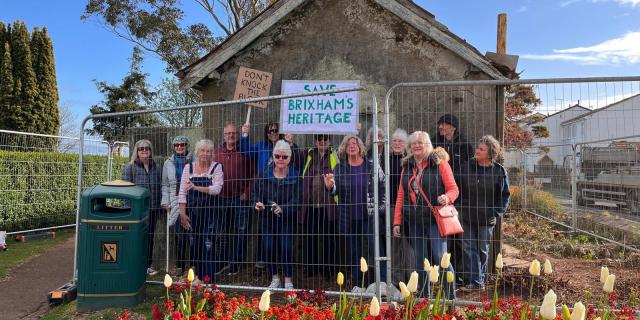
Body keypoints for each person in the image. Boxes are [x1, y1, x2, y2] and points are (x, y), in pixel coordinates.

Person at [392, 131, 459, 298]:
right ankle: (424, 297)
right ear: (409, 147)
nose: (416, 145)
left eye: (420, 142)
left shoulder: (440, 164)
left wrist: (447, 197)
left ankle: (451, 297)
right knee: (420, 260)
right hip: (415, 221)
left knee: (440, 257)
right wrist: (396, 222)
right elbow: (401, 196)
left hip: (435, 219)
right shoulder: (406, 167)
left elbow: (454, 189)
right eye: (413, 143)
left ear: (428, 145)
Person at [323, 135, 386, 286]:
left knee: (376, 249)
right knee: (354, 252)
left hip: (369, 216)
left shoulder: (371, 165)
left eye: (355, 143)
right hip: (349, 217)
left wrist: (380, 208)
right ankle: (359, 284)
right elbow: (335, 192)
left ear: (360, 147)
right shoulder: (340, 168)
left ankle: (383, 282)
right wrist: (330, 187)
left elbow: (383, 186)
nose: (352, 146)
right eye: (348, 144)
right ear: (344, 148)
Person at [458, 135, 511, 291]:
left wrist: (495, 213)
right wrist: (460, 206)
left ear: (490, 153)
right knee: (468, 248)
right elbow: (456, 188)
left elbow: (505, 195)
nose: (477, 151)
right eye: (477, 148)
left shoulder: (499, 171)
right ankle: (476, 281)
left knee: (482, 248)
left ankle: (476, 280)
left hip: (486, 218)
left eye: (481, 149)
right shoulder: (466, 167)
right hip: (467, 216)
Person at [252, 140, 302, 289]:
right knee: (269, 247)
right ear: (273, 156)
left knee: (286, 247)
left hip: (286, 219)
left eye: (284, 157)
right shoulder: (263, 174)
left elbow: (298, 200)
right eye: (277, 156)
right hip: (267, 218)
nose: (281, 159)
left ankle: (288, 280)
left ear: (290, 158)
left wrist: (284, 208)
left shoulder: (296, 176)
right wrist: (257, 203)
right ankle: (275, 278)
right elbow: (255, 194)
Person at [433, 114, 473, 281]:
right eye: (440, 124)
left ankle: (459, 274)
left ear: (454, 127)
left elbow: (470, 170)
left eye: (445, 124)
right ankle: (441, 275)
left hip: (460, 198)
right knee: (442, 239)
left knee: (459, 239)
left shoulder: (465, 146)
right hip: (440, 198)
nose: (441, 127)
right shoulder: (434, 144)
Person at [178, 139, 224, 282]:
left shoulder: (216, 167)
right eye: (203, 150)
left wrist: (197, 187)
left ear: (212, 154)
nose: (206, 153)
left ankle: (209, 279)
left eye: (209, 151)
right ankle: (198, 275)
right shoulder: (188, 168)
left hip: (211, 212)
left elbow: (217, 189)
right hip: (193, 213)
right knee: (195, 243)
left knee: (208, 243)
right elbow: (182, 192)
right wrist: (182, 213)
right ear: (197, 152)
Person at [298, 134, 339, 279]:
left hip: (328, 204)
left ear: (330, 140)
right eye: (319, 139)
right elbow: (294, 156)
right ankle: (311, 268)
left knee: (329, 238)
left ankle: (328, 270)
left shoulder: (335, 155)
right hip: (309, 204)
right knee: (310, 237)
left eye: (325, 139)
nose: (322, 141)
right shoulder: (308, 154)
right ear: (315, 141)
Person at [215, 124, 255, 276]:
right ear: (224, 136)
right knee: (221, 232)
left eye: (234, 133)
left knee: (241, 232)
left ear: (238, 135)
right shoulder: (217, 152)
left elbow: (254, 174)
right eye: (228, 133)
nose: (231, 136)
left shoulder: (245, 151)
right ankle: (222, 261)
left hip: (240, 199)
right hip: (221, 198)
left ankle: (236, 263)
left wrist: (247, 192)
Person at [123, 139, 163, 276]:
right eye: (141, 149)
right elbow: (125, 190)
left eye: (147, 148)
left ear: (151, 151)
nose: (144, 150)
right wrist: (128, 209)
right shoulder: (131, 167)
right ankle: (134, 265)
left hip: (153, 210)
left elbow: (160, 187)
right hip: (137, 211)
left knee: (150, 238)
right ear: (137, 152)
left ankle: (147, 266)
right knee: (137, 238)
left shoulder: (156, 167)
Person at [161, 136, 193, 274]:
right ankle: (180, 265)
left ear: (186, 145)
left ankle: (193, 264)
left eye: (182, 144)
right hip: (175, 199)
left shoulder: (193, 160)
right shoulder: (168, 163)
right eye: (177, 145)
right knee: (179, 234)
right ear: (173, 147)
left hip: (191, 198)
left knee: (192, 233)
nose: (180, 146)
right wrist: (165, 201)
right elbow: (165, 184)